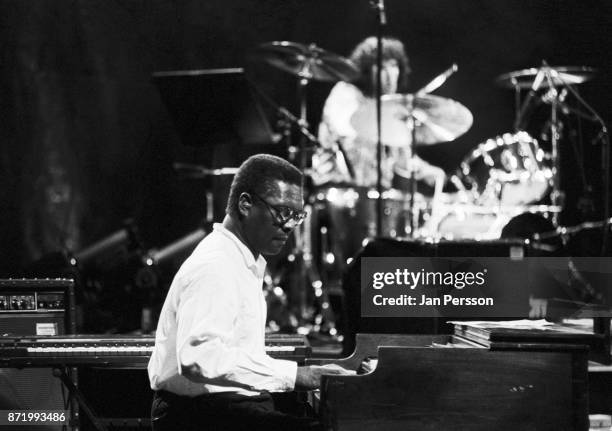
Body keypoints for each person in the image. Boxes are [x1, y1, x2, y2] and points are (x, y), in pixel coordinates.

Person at [148, 154, 353, 431]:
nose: (290, 226)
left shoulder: (238, 259)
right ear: (245, 204)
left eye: (297, 216)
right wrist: (299, 375)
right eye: (282, 213)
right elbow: (199, 358)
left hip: (226, 408)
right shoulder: (216, 264)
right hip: (198, 416)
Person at [313, 36, 445, 189]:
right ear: (366, 71)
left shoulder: (390, 107)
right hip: (337, 189)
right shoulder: (346, 93)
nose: (390, 75)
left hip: (375, 195)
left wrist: (426, 171)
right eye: (382, 67)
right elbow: (350, 127)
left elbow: (402, 157)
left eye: (394, 66)